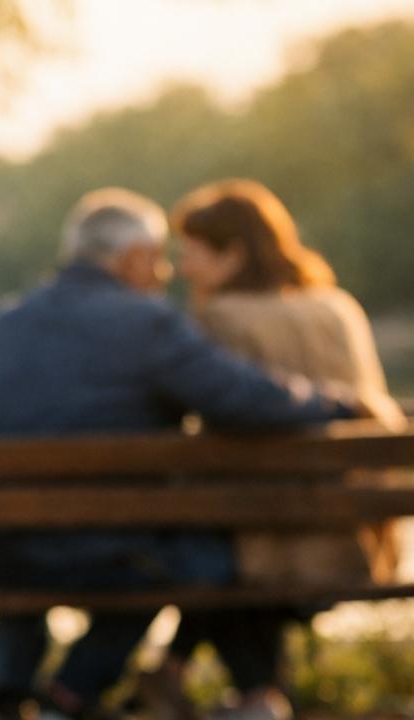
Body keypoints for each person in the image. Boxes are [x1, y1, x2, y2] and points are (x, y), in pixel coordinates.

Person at [0, 188, 354, 720]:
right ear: (133, 258)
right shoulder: (148, 324)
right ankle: (71, 694)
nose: (166, 273)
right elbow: (246, 399)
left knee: (55, 537)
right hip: (111, 555)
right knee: (189, 556)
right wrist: (339, 405)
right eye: (160, 258)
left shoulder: (6, 324)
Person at [144, 179, 407, 720]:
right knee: (240, 522)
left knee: (210, 536)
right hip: (355, 542)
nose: (184, 269)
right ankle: (212, 683)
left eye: (191, 254)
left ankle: (247, 693)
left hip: (266, 544)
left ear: (233, 253)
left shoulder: (220, 319)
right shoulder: (338, 308)